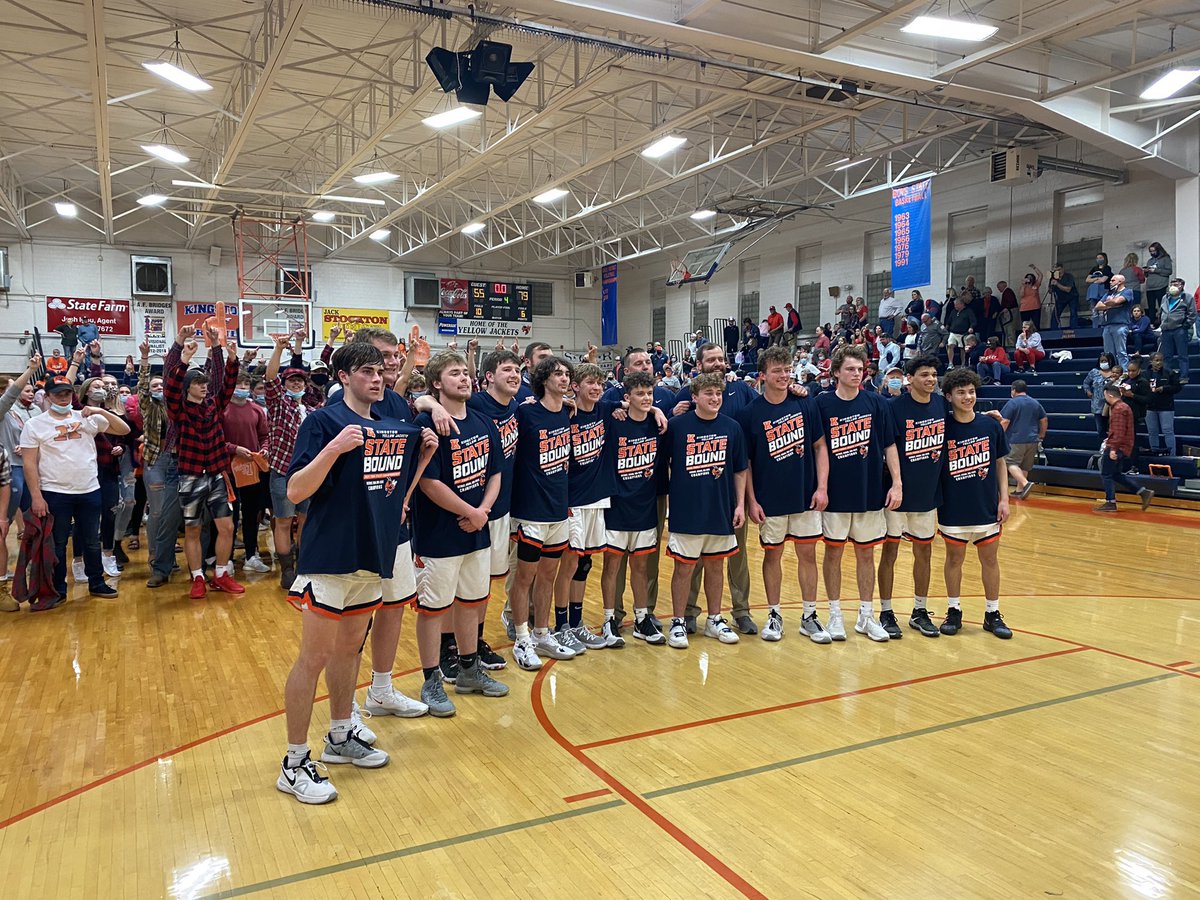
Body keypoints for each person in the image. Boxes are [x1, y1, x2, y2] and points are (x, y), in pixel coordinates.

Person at [276, 341, 431, 804]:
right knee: (314, 657)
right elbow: (297, 489)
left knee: (348, 653)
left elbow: (398, 494)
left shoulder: (390, 426)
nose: (377, 378)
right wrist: (334, 449)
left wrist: (422, 455)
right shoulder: (324, 422)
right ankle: (293, 760)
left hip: (372, 557)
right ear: (343, 376)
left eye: (379, 371)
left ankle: (341, 733)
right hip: (330, 557)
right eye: (366, 371)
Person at [412, 351, 508, 713]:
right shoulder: (428, 421)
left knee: (472, 603)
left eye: (466, 374)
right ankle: (431, 680)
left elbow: (495, 473)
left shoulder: (483, 422)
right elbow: (429, 483)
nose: (465, 379)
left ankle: (469, 669)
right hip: (438, 536)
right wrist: (471, 511)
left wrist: (482, 512)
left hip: (477, 531)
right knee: (433, 610)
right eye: (455, 374)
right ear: (437, 383)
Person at [738, 346, 829, 643]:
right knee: (772, 556)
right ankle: (774, 614)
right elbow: (746, 463)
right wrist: (752, 500)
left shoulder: (806, 403)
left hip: (804, 496)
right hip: (769, 499)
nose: (784, 375)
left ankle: (809, 615)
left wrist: (822, 487)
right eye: (777, 370)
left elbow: (819, 447)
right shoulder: (750, 413)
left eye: (787, 369)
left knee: (807, 555)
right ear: (762, 375)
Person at [816, 345, 902, 643]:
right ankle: (835, 614)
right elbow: (818, 449)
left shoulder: (878, 403)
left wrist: (897, 483)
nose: (856, 373)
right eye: (850, 369)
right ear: (836, 372)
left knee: (866, 554)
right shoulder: (822, 405)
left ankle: (866, 616)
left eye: (860, 369)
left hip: (870, 490)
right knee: (834, 553)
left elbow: (890, 445)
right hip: (836, 495)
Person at [671, 344, 758, 634]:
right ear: (698, 365)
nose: (718, 364)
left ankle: (740, 611)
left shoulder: (741, 391)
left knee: (734, 557)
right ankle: (688, 614)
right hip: (693, 497)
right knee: (690, 562)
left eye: (721, 359)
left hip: (729, 493)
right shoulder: (684, 399)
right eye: (711, 360)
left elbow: (765, 409)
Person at [21, 375, 129, 607]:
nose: (63, 398)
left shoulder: (86, 417)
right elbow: (29, 463)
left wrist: (102, 412)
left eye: (67, 393)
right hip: (54, 491)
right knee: (58, 542)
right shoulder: (35, 425)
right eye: (58, 394)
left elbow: (124, 429)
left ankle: (96, 582)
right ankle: (58, 588)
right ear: (48, 396)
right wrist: (36, 497)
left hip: (89, 488)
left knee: (92, 540)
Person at [164, 323, 244, 599]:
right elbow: (171, 389)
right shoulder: (179, 409)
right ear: (188, 387)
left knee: (227, 526)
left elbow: (228, 385)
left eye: (204, 384)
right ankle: (197, 577)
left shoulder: (213, 404)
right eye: (198, 384)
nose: (203, 387)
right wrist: (184, 359)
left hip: (218, 474)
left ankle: (221, 573)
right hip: (191, 475)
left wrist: (230, 357)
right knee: (193, 528)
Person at [507, 356, 576, 670]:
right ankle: (521, 637)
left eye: (566, 374)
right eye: (557, 374)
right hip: (530, 511)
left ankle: (542, 632)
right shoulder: (525, 412)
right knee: (525, 577)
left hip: (558, 510)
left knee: (549, 575)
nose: (563, 378)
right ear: (543, 379)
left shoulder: (567, 412)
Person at [937, 368, 1013, 640]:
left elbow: (1000, 462)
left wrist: (1004, 498)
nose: (967, 397)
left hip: (986, 506)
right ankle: (953, 609)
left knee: (990, 560)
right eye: (961, 392)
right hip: (953, 506)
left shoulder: (990, 425)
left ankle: (992, 613)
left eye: (971, 392)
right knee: (954, 559)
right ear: (949, 396)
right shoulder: (942, 427)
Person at [555, 363, 624, 652]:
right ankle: (560, 628)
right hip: (572, 501)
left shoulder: (606, 409)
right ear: (575, 386)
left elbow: (635, 401)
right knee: (569, 564)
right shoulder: (564, 414)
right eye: (589, 383)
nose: (596, 388)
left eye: (600, 383)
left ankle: (577, 623)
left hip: (597, 499)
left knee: (584, 565)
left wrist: (657, 410)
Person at [877, 355, 945, 638]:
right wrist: (896, 483)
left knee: (924, 552)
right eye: (924, 375)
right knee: (890, 551)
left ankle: (919, 610)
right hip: (897, 493)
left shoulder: (942, 404)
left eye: (933, 375)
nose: (930, 379)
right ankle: (886, 610)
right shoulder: (894, 407)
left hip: (928, 494)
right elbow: (887, 447)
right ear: (910, 379)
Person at [600, 371, 666, 646]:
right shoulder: (615, 422)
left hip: (645, 505)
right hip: (616, 505)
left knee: (641, 566)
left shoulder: (657, 424)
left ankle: (641, 618)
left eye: (649, 393)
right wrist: (620, 408)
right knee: (612, 566)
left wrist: (656, 409)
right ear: (627, 397)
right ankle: (608, 619)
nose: (646, 398)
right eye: (640, 394)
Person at [469, 350, 522, 664]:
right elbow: (429, 402)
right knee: (468, 582)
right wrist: (429, 403)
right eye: (507, 369)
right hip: (474, 507)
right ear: (488, 376)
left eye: (517, 369)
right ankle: (455, 645)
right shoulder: (475, 404)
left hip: (502, 507)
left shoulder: (515, 406)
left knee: (486, 582)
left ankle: (475, 640)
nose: (514, 374)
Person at [264, 334, 323, 588]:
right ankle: (287, 569)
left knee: (306, 519)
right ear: (285, 383)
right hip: (281, 471)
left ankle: (303, 563)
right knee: (284, 521)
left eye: (300, 381)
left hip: (307, 473)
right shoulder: (278, 403)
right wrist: (279, 349)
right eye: (291, 380)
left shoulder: (310, 411)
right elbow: (270, 377)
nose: (296, 384)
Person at [223, 371, 270, 573]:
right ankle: (227, 558)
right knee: (230, 516)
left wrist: (265, 448)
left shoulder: (257, 410)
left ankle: (251, 554)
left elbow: (265, 435)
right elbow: (215, 439)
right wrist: (234, 449)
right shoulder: (221, 409)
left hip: (252, 469)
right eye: (238, 384)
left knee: (252, 514)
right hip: (228, 469)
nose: (241, 388)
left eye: (244, 385)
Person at [1095, 384, 1154, 512]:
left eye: (1105, 395)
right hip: (1123, 446)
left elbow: (1118, 431)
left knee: (1106, 474)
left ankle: (1110, 502)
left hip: (1117, 447)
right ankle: (1143, 492)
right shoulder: (1123, 407)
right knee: (1116, 474)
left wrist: (1113, 449)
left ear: (1109, 395)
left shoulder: (1118, 409)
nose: (1104, 398)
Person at [999, 380, 1045, 499]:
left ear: (1014, 389)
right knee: (1025, 466)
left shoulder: (1012, 403)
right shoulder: (1035, 403)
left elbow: (1005, 421)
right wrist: (1041, 435)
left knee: (1010, 463)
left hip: (1015, 439)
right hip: (1032, 439)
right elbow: (1044, 420)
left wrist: (998, 435)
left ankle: (1025, 484)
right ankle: (1019, 491)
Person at [1158, 278, 1195, 382]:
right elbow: (1161, 311)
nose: (1173, 286)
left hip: (1179, 329)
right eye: (1172, 284)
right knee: (1167, 356)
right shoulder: (1165, 297)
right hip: (1166, 329)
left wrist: (1186, 325)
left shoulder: (1187, 297)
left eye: (1176, 284)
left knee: (1182, 355)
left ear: (1182, 286)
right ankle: (1167, 376)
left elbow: (1192, 313)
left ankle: (1184, 376)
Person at [1095, 272, 1134, 369]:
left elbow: (1117, 301)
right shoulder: (1109, 293)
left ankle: (1124, 372)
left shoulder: (1127, 291)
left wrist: (1110, 304)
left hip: (1120, 325)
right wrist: (1112, 305)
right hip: (1107, 326)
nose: (1110, 282)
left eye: (1113, 280)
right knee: (1108, 353)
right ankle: (1112, 373)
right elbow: (1097, 306)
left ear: (1121, 282)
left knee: (1121, 352)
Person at [1144, 352, 1181, 456]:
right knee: (1152, 432)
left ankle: (1172, 455)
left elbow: (1177, 387)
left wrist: (1164, 388)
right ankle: (1155, 453)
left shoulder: (1169, 373)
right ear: (1150, 361)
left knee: (1168, 431)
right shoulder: (1145, 374)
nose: (1159, 362)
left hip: (1166, 407)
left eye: (1161, 360)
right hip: (1150, 407)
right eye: (1156, 360)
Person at [1083, 353, 1119, 441]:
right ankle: (1104, 448)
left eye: (1106, 361)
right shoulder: (1094, 372)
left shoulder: (1116, 372)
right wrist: (1088, 391)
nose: (1103, 362)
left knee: (1113, 429)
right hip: (1098, 406)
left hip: (1112, 405)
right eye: (1102, 361)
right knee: (1100, 429)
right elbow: (1086, 383)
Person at [1142, 241, 1173, 321]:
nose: (1152, 253)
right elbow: (1147, 276)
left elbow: (1169, 272)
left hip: (1161, 286)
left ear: (1158, 250)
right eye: (1150, 251)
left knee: (1162, 306)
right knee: (1151, 307)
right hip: (1150, 287)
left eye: (1153, 251)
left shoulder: (1165, 259)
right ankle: (1152, 323)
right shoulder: (1150, 261)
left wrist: (1156, 270)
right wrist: (1146, 272)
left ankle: (1163, 322)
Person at [944, 297, 977, 369]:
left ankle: (963, 364)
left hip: (963, 333)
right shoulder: (953, 311)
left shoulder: (968, 311)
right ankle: (950, 363)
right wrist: (945, 328)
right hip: (953, 332)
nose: (955, 306)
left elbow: (973, 321)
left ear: (962, 304)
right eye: (954, 305)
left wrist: (971, 327)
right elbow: (949, 321)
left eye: (956, 305)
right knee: (950, 345)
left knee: (962, 348)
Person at [1048, 265, 1080, 329]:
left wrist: (1057, 284)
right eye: (1056, 270)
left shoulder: (1069, 276)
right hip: (1061, 298)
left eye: (1059, 269)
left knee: (1073, 312)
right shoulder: (1053, 278)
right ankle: (1053, 329)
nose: (1058, 272)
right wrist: (1050, 286)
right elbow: (1050, 292)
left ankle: (1074, 328)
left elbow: (1068, 289)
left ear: (1063, 269)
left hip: (1072, 297)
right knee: (1055, 314)